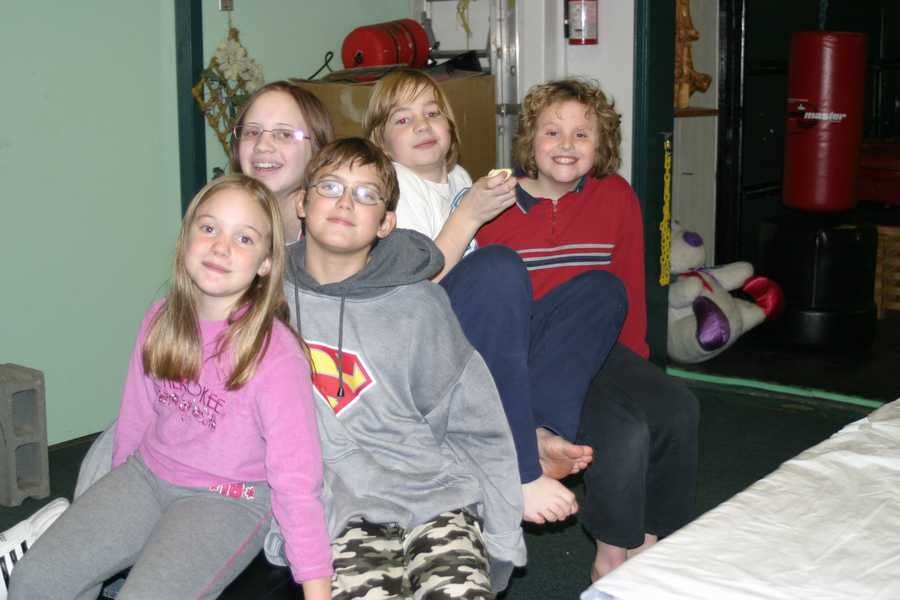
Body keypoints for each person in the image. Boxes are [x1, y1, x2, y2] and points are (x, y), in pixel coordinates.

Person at [8, 175, 333, 600]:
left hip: (226, 499)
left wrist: (317, 588)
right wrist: (108, 506)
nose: (221, 247)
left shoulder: (277, 356)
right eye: (209, 228)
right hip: (147, 475)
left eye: (244, 238)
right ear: (186, 239)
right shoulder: (162, 318)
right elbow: (135, 418)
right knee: (34, 578)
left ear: (266, 264)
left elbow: (297, 480)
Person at [363, 68, 627, 526]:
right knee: (499, 267)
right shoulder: (393, 191)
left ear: (450, 126)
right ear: (382, 143)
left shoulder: (458, 177)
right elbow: (413, 293)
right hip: (424, 344)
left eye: (432, 114)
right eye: (403, 120)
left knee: (601, 291)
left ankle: (541, 428)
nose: (422, 125)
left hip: (474, 331)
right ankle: (519, 468)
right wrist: (468, 215)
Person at [476, 78, 700, 580]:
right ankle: (611, 555)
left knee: (677, 407)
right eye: (552, 132)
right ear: (530, 139)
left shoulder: (616, 196)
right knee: (623, 430)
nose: (567, 145)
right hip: (528, 353)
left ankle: (653, 542)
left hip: (599, 345)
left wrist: (636, 371)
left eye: (582, 134)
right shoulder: (498, 203)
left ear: (602, 145)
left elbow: (629, 288)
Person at [284, 136, 526, 598]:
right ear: (301, 201)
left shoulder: (420, 307)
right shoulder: (266, 302)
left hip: (433, 495)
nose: (346, 203)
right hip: (339, 510)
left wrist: (501, 535)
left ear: (386, 222)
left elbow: (478, 424)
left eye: (367, 194)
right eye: (330, 187)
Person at [230, 80, 335, 242]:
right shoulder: (220, 227)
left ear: (317, 148)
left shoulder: (338, 240)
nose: (262, 146)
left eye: (284, 134)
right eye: (252, 132)